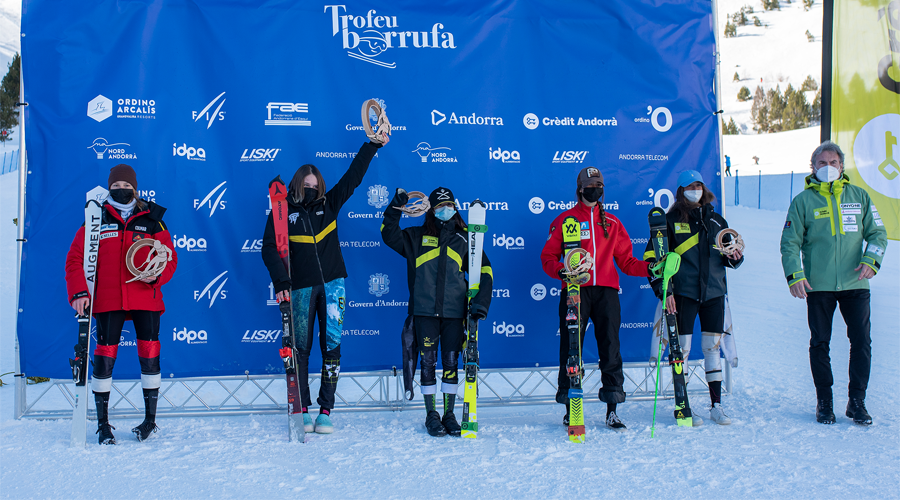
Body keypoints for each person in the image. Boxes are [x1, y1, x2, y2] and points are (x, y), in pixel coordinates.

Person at [261, 131, 389, 435]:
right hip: (300, 288)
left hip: (333, 286)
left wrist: (372, 146)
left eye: (314, 186)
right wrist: (281, 279)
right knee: (300, 350)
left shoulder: (329, 205)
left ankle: (326, 411)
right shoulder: (282, 211)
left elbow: (353, 176)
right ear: (295, 185)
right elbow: (269, 247)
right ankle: (303, 408)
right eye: (305, 186)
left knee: (332, 347)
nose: (310, 190)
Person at [65, 164, 178, 444]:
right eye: (117, 186)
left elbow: (170, 257)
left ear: (135, 188)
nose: (122, 190)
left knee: (150, 356)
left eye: (127, 187)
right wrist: (79, 292)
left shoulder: (153, 218)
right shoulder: (95, 218)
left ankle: (150, 421)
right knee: (104, 359)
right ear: (110, 187)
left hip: (145, 297)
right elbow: (75, 259)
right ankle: (103, 424)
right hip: (108, 299)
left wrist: (156, 275)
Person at [540, 166, 657, 431]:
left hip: (606, 291)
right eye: (591, 185)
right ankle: (572, 409)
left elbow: (627, 262)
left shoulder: (612, 223)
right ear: (580, 189)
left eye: (600, 186)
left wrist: (650, 268)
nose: (596, 190)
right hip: (574, 290)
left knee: (610, 348)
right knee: (572, 350)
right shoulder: (565, 220)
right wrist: (563, 271)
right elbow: (547, 258)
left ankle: (612, 410)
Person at [780, 141, 887, 426]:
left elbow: (878, 234)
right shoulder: (803, 202)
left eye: (833, 163)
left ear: (842, 166)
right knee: (820, 343)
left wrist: (871, 260)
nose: (828, 167)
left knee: (862, 342)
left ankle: (857, 401)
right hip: (819, 285)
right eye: (822, 163)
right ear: (813, 167)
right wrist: (795, 275)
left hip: (856, 282)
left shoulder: (859, 196)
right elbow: (790, 244)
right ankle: (824, 402)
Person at [380, 187, 493, 437]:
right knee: (428, 364)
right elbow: (388, 235)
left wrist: (480, 305)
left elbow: (484, 271)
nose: (446, 210)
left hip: (454, 313)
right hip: (425, 312)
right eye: (440, 206)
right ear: (431, 210)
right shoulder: (415, 237)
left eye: (450, 205)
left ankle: (449, 414)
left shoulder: (465, 238)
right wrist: (395, 207)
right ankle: (431, 415)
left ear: (455, 208)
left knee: (451, 364)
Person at [644, 170, 744, 425]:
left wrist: (735, 257)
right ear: (680, 191)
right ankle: (683, 404)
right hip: (683, 295)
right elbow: (652, 261)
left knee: (712, 349)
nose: (695, 190)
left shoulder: (717, 220)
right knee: (683, 351)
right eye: (690, 186)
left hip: (713, 293)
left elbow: (729, 255)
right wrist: (663, 291)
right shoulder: (668, 221)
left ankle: (716, 405)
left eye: (699, 185)